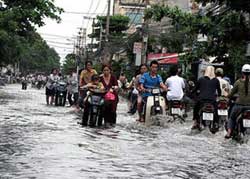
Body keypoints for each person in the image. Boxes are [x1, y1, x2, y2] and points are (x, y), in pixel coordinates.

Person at [225, 64, 250, 139]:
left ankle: (229, 132)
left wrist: (227, 95)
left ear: (242, 72)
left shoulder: (238, 82)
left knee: (231, 118)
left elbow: (231, 94)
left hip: (239, 106)